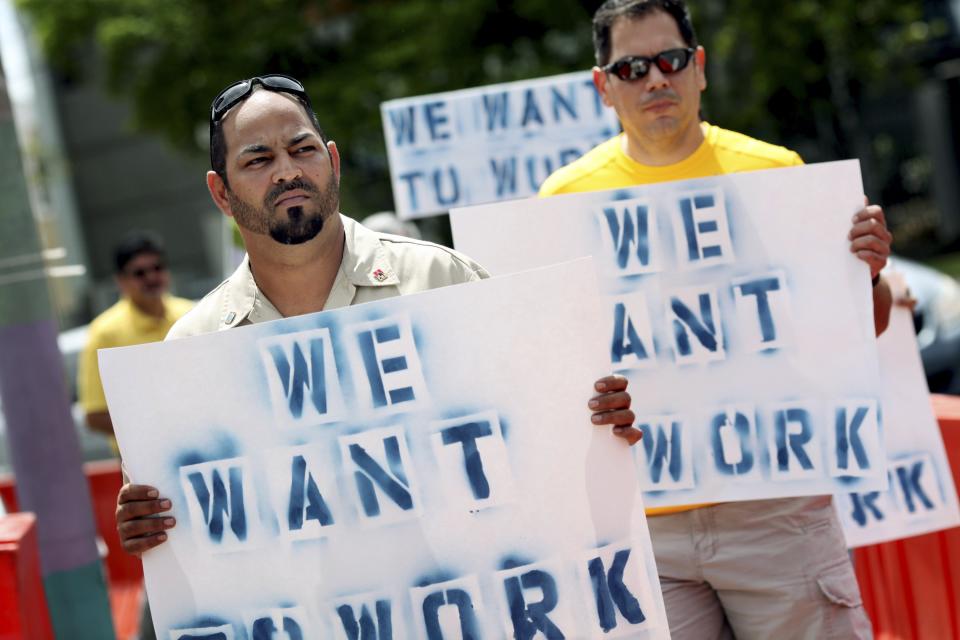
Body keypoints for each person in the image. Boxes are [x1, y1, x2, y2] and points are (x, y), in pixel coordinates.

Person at [114, 75, 639, 557]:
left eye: (303, 149)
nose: (289, 171)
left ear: (333, 162)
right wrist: (150, 525)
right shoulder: (193, 347)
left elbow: (540, 423)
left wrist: (593, 418)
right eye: (258, 160)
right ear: (221, 193)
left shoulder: (441, 279)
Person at [539, 1, 892, 638]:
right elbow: (546, 362)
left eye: (671, 60)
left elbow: (862, 328)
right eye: (632, 67)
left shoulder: (775, 173)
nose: (655, 80)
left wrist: (864, 272)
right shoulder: (562, 202)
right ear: (603, 86)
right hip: (643, 519)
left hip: (775, 507)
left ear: (698, 68)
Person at [79, 232, 193, 448]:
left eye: (157, 268)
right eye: (140, 273)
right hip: (141, 460)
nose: (151, 277)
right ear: (121, 281)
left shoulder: (192, 315)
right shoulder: (104, 333)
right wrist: (157, 429)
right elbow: (94, 415)